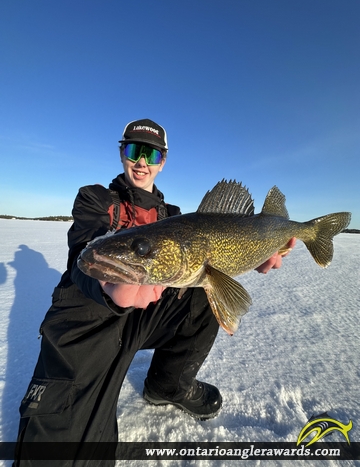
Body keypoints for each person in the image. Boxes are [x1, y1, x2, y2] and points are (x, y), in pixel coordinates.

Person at [14, 119, 296, 466]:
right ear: (122, 154)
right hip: (90, 319)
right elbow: (85, 253)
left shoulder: (175, 217)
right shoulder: (95, 199)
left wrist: (250, 256)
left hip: (148, 314)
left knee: (201, 289)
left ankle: (168, 385)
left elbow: (219, 257)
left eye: (151, 153)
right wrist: (106, 283)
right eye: (134, 150)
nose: (141, 161)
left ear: (162, 160)